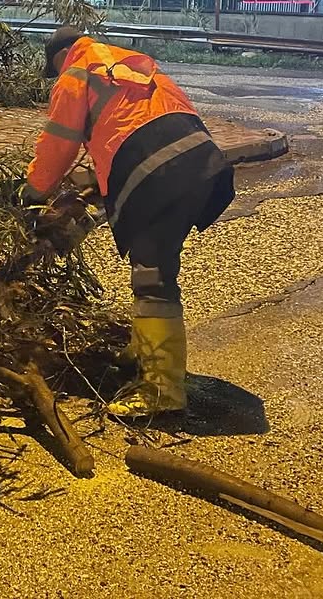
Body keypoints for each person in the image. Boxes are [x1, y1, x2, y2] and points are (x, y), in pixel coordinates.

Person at [22, 25, 234, 417]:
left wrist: (32, 194)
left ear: (60, 57)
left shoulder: (74, 73)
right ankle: (144, 349)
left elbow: (57, 146)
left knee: (152, 275)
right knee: (157, 258)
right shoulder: (129, 64)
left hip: (159, 171)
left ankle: (163, 392)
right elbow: (129, 129)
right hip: (202, 162)